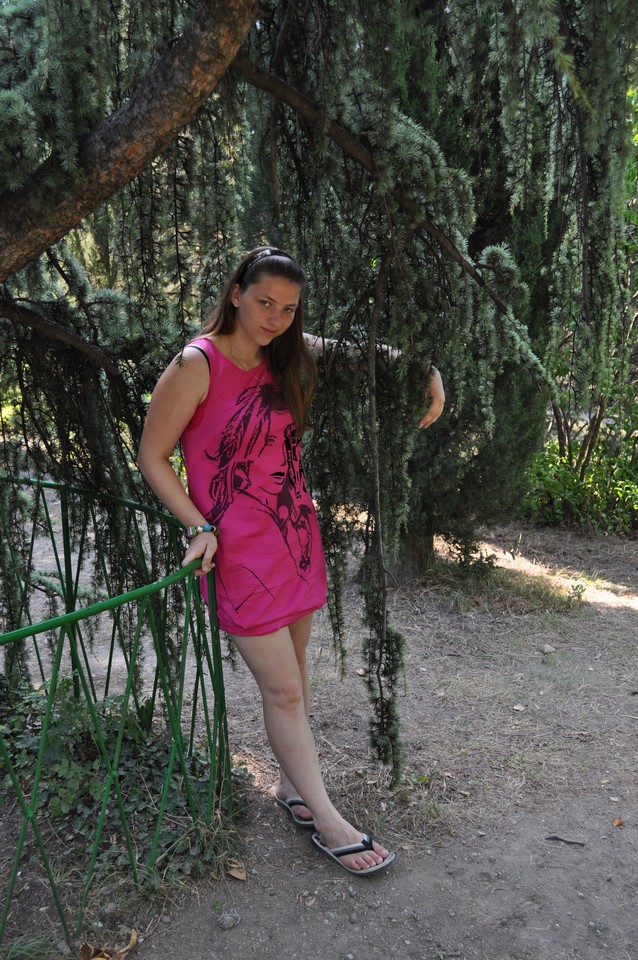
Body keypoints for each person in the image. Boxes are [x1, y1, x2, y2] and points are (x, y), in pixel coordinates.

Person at [137, 246, 445, 876]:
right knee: (281, 688)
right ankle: (328, 821)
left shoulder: (286, 353)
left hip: (294, 537)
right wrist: (198, 526)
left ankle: (289, 786)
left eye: (287, 308)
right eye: (263, 302)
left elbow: (359, 353)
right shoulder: (197, 363)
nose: (274, 318)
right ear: (235, 294)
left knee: (296, 676)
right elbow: (151, 456)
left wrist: (424, 370)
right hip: (238, 552)